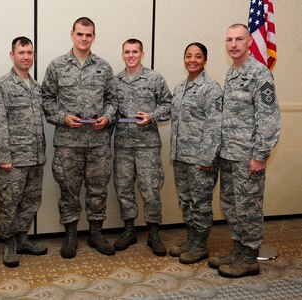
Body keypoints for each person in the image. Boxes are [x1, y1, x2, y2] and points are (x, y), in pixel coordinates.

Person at [41, 17, 117, 259]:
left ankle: (96, 233)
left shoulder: (104, 67)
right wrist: (63, 117)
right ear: (72, 34)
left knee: (98, 190)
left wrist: (106, 117)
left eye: (89, 34)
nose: (84, 38)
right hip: (68, 143)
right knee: (69, 191)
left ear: (94, 36)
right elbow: (46, 99)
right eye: (80, 34)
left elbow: (113, 101)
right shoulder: (57, 66)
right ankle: (71, 235)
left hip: (98, 143)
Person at [208, 24, 280, 278]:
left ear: (249, 42)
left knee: (248, 208)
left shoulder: (259, 74)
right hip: (229, 154)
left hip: (247, 157)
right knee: (231, 205)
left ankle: (249, 258)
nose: (234, 44)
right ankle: (237, 250)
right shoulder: (232, 72)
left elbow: (269, 118)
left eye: (239, 39)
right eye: (229, 39)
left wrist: (260, 155)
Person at [0, 37, 47, 268]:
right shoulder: (2, 86)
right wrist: (3, 157)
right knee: (9, 203)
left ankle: (22, 238)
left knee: (31, 201)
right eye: (21, 52)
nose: (26, 56)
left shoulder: (36, 87)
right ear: (12, 55)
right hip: (12, 160)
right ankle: (9, 241)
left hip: (35, 158)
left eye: (30, 52)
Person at [112, 39, 172, 256]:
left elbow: (169, 105)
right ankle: (129, 230)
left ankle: (153, 233)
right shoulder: (114, 81)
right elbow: (109, 108)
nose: (131, 55)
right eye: (126, 51)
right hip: (123, 145)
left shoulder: (154, 78)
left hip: (148, 144)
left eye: (135, 51)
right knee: (123, 189)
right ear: (122, 54)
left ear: (142, 54)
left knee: (151, 191)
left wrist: (152, 116)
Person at [168, 42, 223, 264]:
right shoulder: (181, 87)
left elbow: (215, 125)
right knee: (186, 201)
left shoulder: (211, 88)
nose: (192, 60)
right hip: (181, 156)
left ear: (205, 61)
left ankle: (199, 245)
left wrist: (206, 158)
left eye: (198, 56)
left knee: (200, 202)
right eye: (188, 55)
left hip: (201, 159)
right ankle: (191, 240)